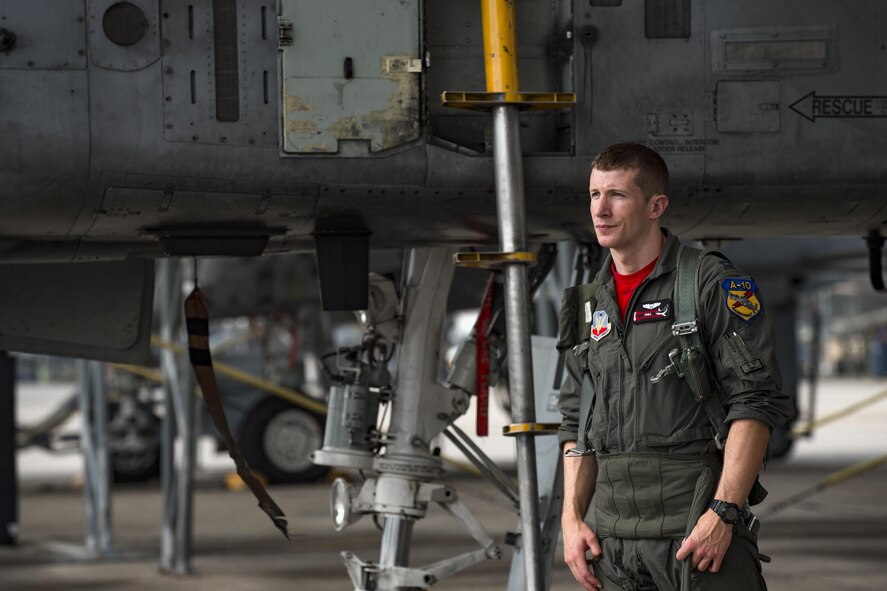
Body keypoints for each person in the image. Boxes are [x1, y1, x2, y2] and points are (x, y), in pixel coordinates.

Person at [557, 143, 794, 590]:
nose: (600, 210)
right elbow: (576, 424)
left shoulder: (710, 284)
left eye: (617, 195)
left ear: (656, 206)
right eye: (593, 195)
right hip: (613, 549)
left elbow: (755, 402)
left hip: (696, 541)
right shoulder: (587, 303)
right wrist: (571, 520)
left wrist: (723, 513)